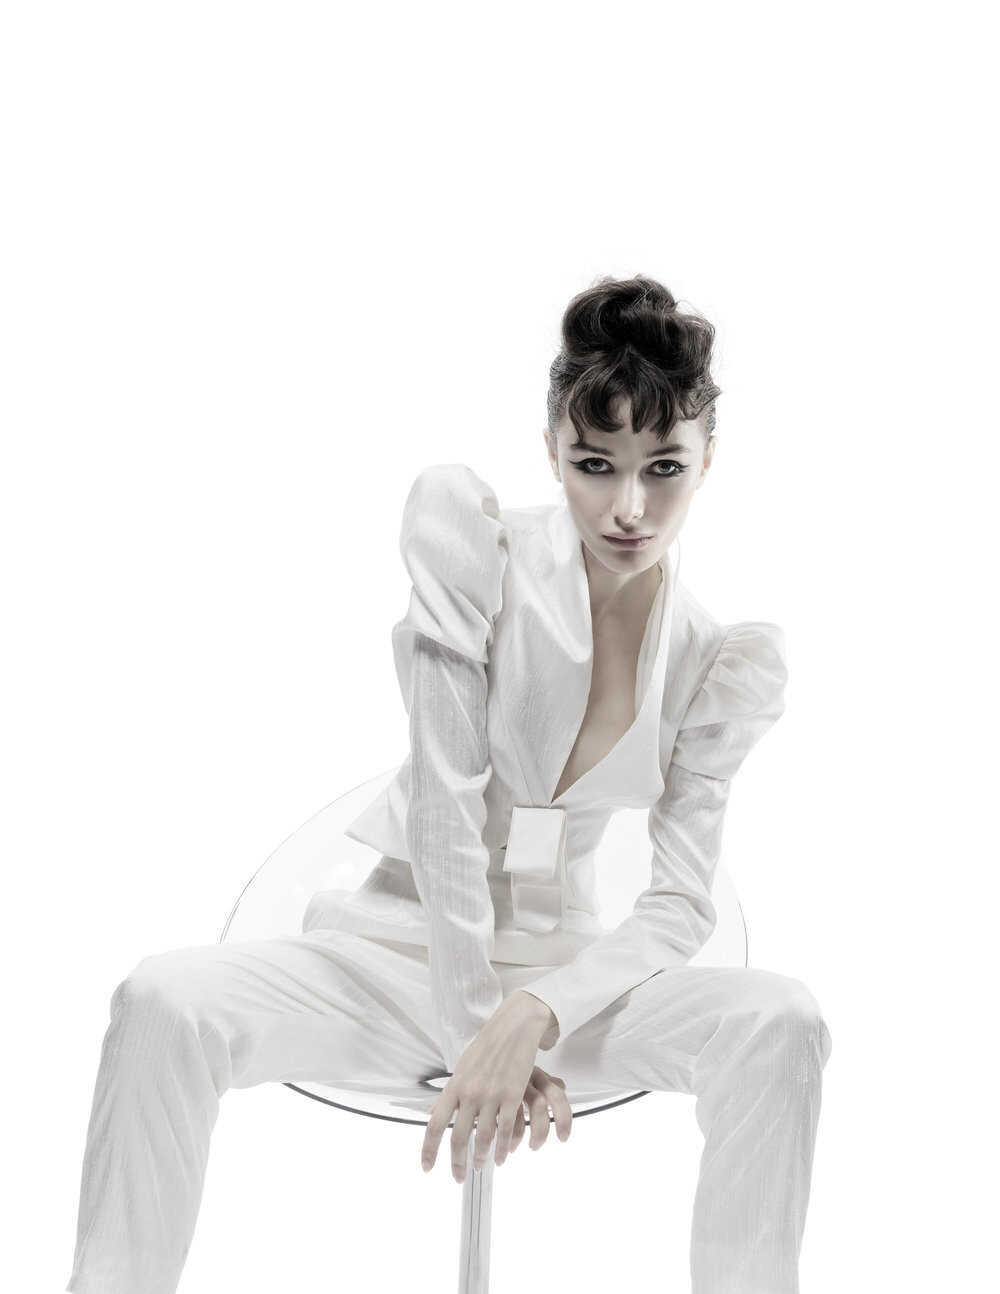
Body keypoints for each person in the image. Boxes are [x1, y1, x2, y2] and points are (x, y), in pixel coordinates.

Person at [66, 273, 832, 1294]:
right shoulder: (476, 548)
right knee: (162, 999)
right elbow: (444, 799)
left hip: (566, 987)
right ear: (552, 448)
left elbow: (681, 901)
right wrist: (477, 1019)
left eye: (663, 468)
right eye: (594, 464)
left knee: (780, 1020)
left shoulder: (719, 660)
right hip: (399, 959)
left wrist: (534, 1014)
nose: (629, 507)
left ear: (708, 460)